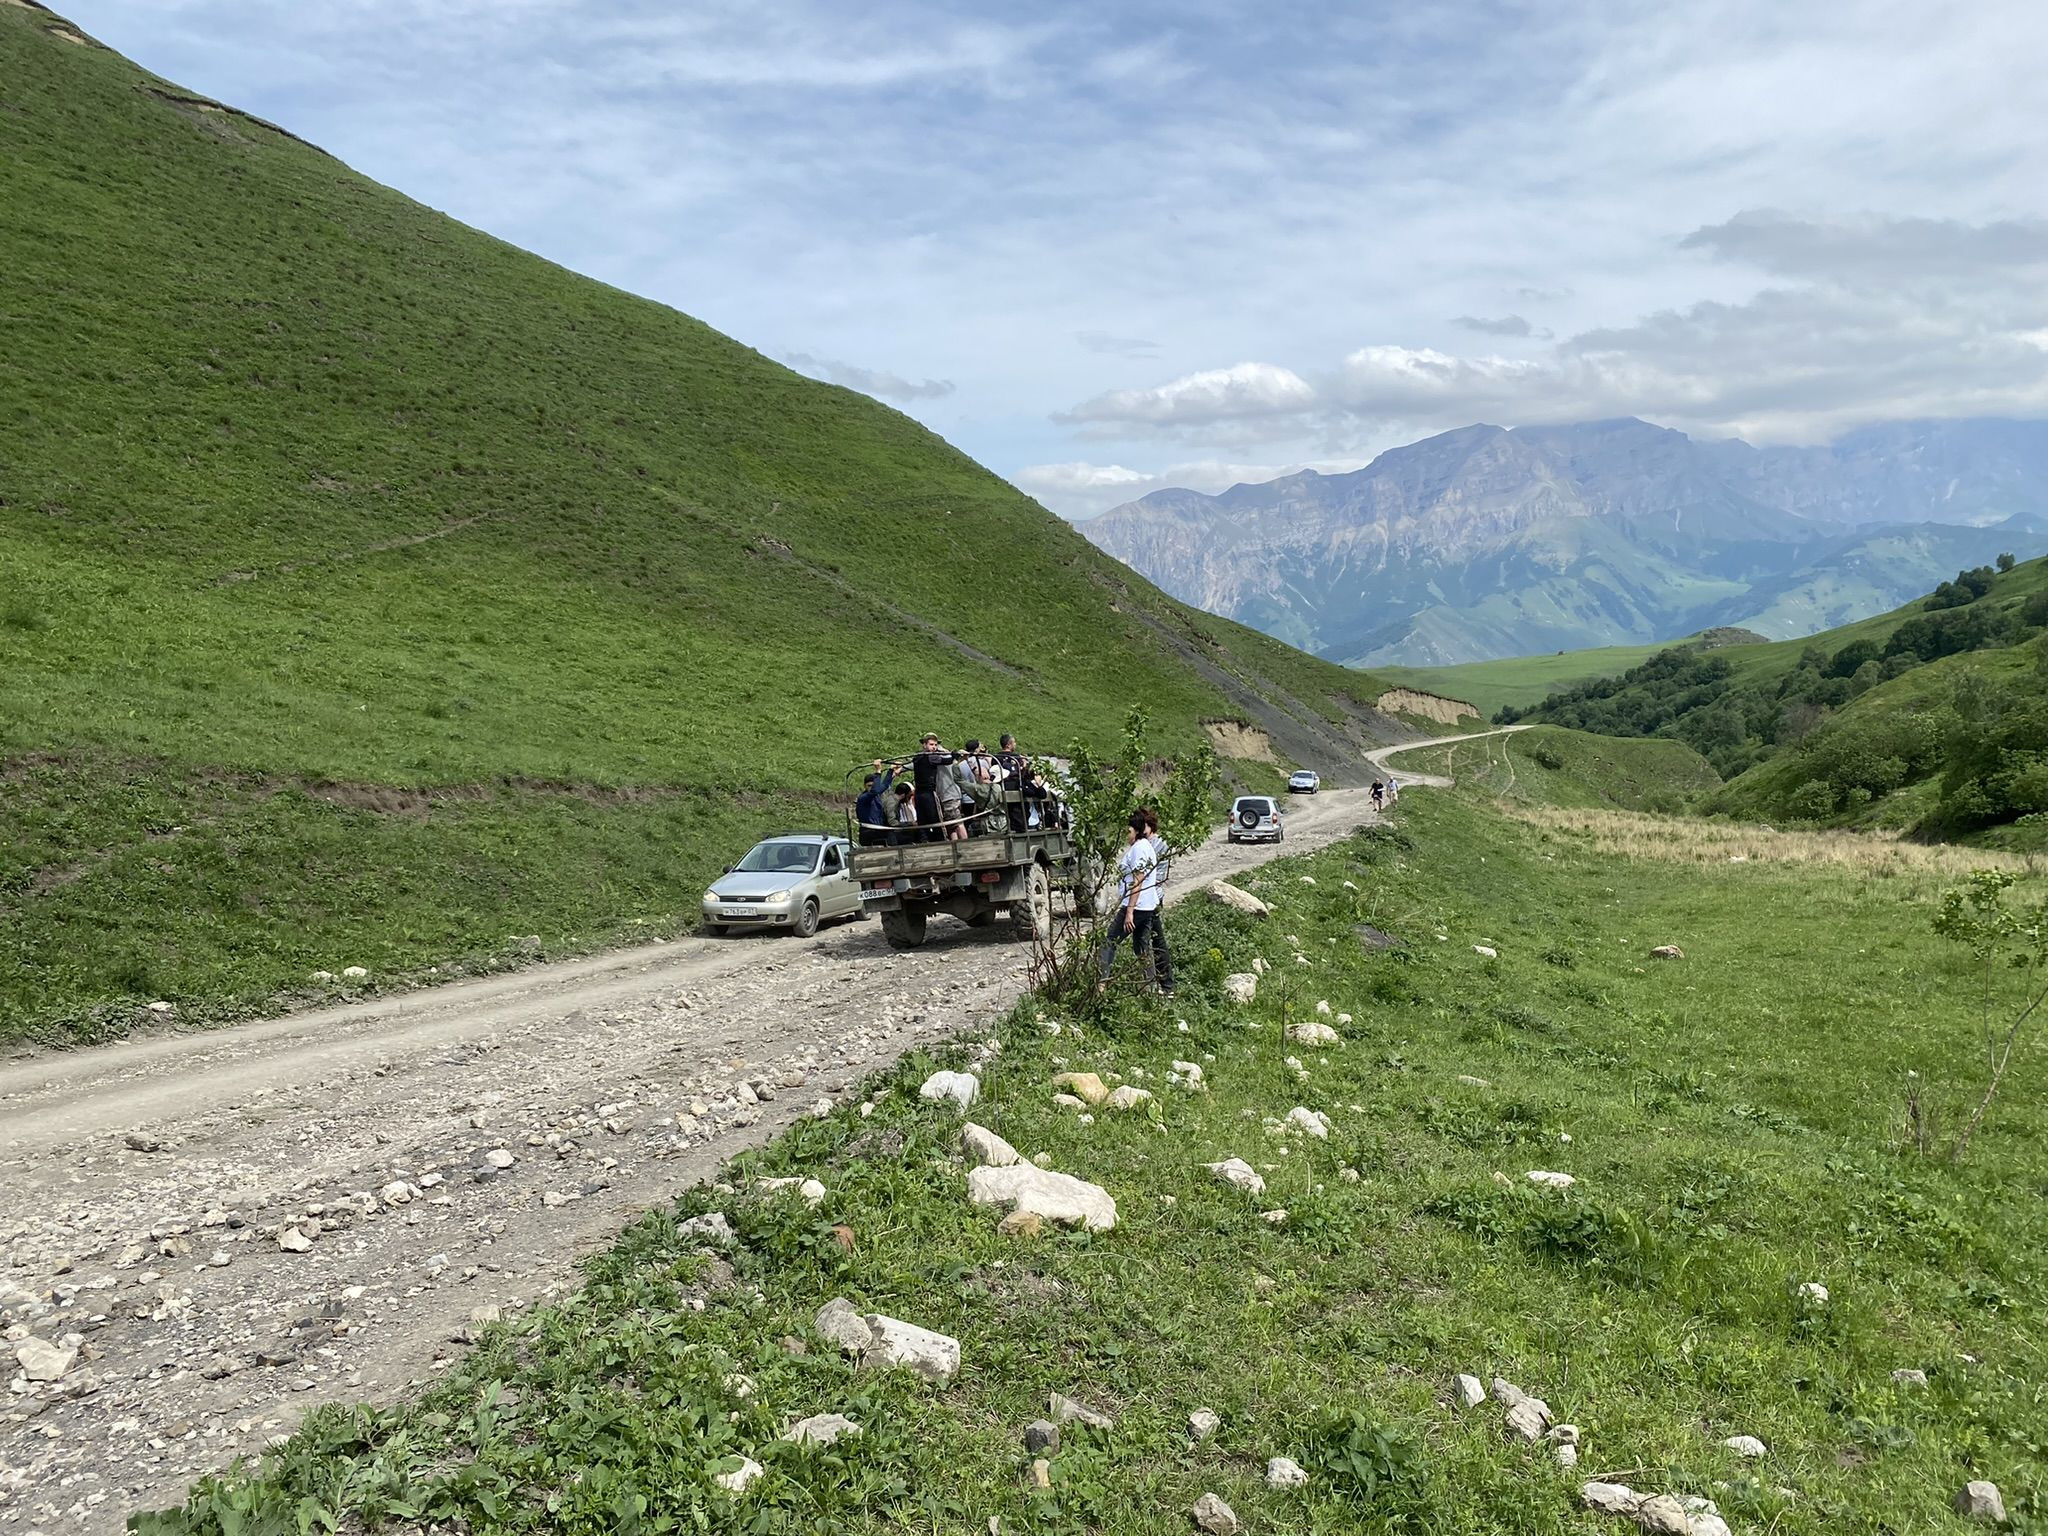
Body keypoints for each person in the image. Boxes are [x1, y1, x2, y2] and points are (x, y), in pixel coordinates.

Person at [1097, 810, 1174, 995]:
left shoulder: (1140, 848)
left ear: (1137, 831)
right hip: (1147, 907)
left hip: (1137, 907)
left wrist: (1129, 910)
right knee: (1141, 946)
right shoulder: (1146, 846)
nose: (1127, 834)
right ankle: (1151, 989)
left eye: (1129, 831)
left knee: (1109, 942)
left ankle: (1101, 985)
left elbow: (1138, 880)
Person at [911, 734, 954, 843]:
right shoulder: (931, 757)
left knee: (923, 819)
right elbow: (947, 761)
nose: (934, 747)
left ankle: (924, 840)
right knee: (935, 818)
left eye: (935, 745)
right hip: (929, 793)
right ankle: (941, 840)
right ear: (924, 745)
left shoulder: (917, 757)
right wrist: (954, 755)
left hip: (919, 794)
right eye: (931, 744)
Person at [854, 760, 897, 847]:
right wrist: (878, 771)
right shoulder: (863, 798)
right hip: (868, 832)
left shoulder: (876, 796)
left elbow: (884, 785)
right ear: (864, 786)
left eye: (873, 786)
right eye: (869, 786)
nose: (871, 788)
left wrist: (891, 770)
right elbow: (875, 791)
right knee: (891, 835)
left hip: (877, 830)